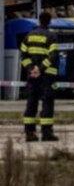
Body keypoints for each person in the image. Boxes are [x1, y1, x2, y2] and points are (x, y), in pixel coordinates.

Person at [20, 12, 59, 142]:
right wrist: (40, 69)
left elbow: (24, 56)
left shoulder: (28, 36)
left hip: (32, 77)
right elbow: (53, 56)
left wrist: (31, 69)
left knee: (31, 103)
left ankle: (30, 133)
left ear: (39, 21)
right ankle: (47, 133)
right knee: (47, 104)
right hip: (47, 77)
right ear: (49, 22)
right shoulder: (51, 36)